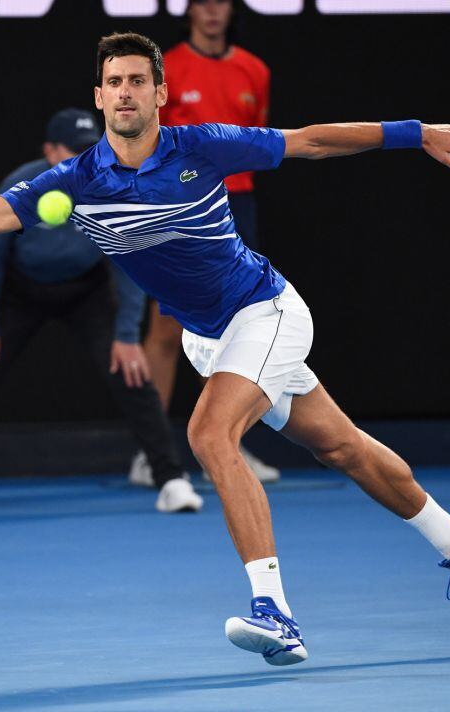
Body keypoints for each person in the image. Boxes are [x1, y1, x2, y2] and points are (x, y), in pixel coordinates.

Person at [0, 32, 450, 664]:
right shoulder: (75, 183)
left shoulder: (201, 146)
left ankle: (277, 613)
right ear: (100, 95)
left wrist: (416, 133)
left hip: (265, 312)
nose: (127, 92)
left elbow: (310, 141)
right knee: (342, 448)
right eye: (115, 82)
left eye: (140, 80)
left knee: (208, 433)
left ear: (160, 93)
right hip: (209, 339)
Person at [0, 107, 203, 516]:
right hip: (22, 292)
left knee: (131, 372)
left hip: (86, 292)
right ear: (50, 151)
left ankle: (172, 480)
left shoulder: (111, 182)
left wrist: (127, 335)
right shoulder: (20, 185)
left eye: (90, 148)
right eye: (72, 150)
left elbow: (128, 262)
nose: (84, 157)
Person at [133, 0, 279, 485]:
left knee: (235, 330)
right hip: (179, 206)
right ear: (191, 11)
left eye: (221, 3)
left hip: (237, 205)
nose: (213, 12)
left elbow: (256, 142)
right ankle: (151, 452)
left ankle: (230, 445)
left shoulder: (254, 70)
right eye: (204, 3)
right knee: (165, 327)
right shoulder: (167, 68)